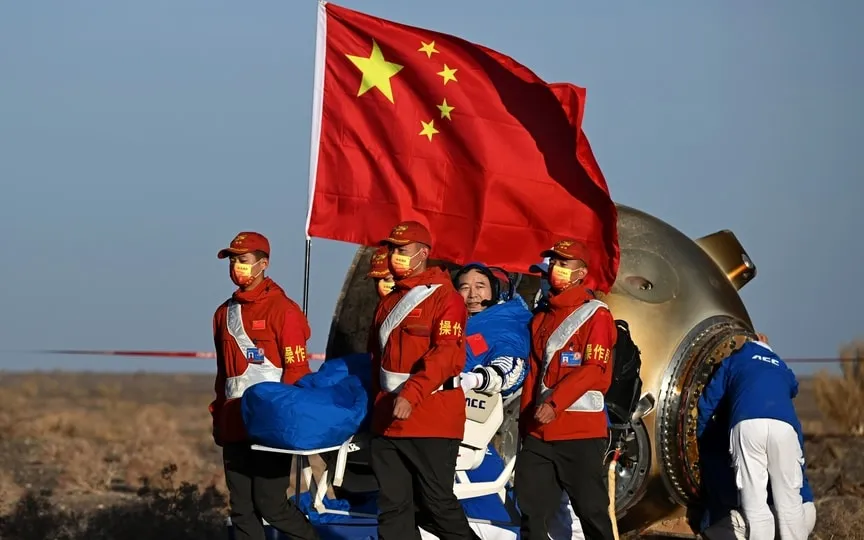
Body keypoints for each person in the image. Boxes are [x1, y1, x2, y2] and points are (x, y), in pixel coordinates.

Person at [368, 220, 479, 540]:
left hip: (431, 418)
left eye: (402, 250)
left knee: (437, 505)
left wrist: (412, 393)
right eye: (391, 250)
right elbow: (377, 362)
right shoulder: (387, 302)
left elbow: (446, 355)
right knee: (393, 509)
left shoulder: (446, 299)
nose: (394, 256)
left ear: (423, 253)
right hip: (387, 421)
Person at [209, 231, 320, 540]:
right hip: (234, 422)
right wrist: (218, 416)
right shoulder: (223, 313)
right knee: (241, 508)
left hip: (270, 425)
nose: (236, 267)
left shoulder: (284, 310)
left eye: (243, 260)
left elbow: (297, 370)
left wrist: (285, 424)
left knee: (271, 504)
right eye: (232, 260)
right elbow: (224, 375)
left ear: (263, 264)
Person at [516, 239, 617, 540]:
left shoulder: (596, 316)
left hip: (580, 434)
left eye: (563, 263)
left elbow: (593, 369)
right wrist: (525, 424)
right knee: (532, 511)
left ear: (581, 273)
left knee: (591, 511)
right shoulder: (541, 318)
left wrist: (555, 404)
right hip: (539, 434)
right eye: (553, 263)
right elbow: (534, 375)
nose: (555, 269)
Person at [697, 334, 806, 540]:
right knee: (790, 503)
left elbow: (709, 401)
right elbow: (794, 387)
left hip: (747, 424)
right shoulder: (780, 365)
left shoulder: (733, 361)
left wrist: (704, 435)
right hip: (784, 427)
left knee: (755, 504)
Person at [453, 263, 531, 401]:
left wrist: (477, 379)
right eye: (464, 288)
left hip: (480, 406)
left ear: (494, 289)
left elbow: (510, 366)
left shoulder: (507, 322)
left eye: (480, 287)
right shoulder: (452, 320)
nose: (472, 295)